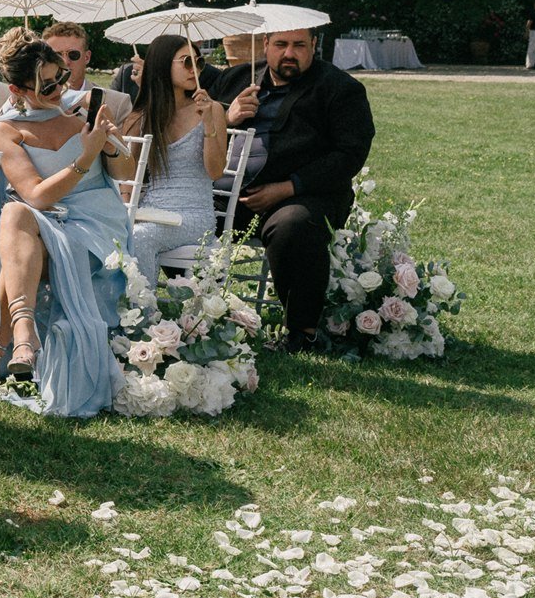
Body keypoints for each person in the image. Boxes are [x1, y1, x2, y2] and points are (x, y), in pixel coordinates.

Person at [0, 41, 132, 417]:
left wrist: (105, 144)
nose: (60, 89)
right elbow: (36, 196)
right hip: (45, 219)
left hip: (97, 225)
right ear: (17, 91)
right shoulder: (6, 128)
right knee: (16, 215)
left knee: (14, 243)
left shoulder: (83, 110)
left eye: (61, 77)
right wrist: (85, 155)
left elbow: (126, 176)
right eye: (47, 85)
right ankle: (21, 335)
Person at [224, 29, 374, 353]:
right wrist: (228, 115)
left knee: (292, 225)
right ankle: (190, 312)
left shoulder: (340, 89)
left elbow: (350, 154)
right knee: (180, 212)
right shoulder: (237, 80)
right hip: (230, 194)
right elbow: (193, 122)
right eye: (280, 44)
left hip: (305, 194)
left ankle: (302, 333)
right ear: (265, 45)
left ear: (314, 46)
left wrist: (288, 187)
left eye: (298, 45)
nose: (289, 53)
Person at [121, 35, 229, 285]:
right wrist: (125, 211)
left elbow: (215, 172)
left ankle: (141, 318)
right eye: (186, 62)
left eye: (198, 62)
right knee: (114, 233)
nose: (195, 70)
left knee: (140, 238)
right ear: (161, 65)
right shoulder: (143, 116)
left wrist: (209, 125)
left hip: (193, 215)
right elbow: (126, 176)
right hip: (149, 212)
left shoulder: (211, 109)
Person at [42, 22, 132, 122]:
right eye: (57, 56)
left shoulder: (117, 103)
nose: (65, 62)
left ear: (87, 57)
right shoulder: (35, 102)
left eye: (73, 54)